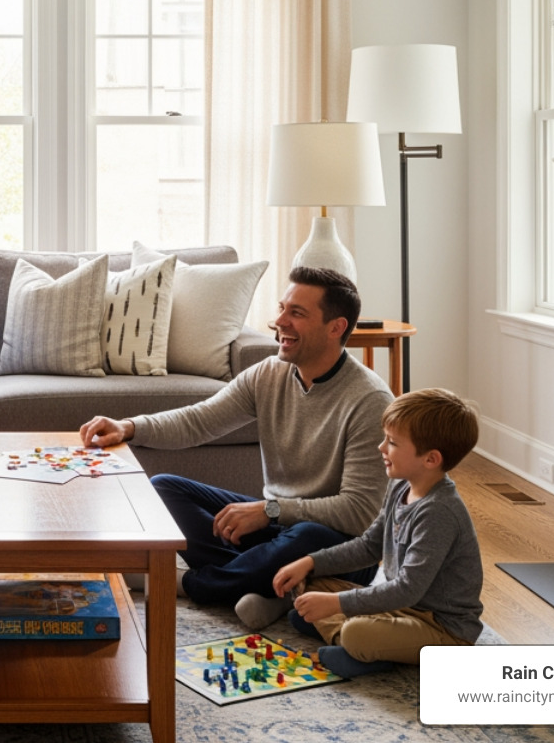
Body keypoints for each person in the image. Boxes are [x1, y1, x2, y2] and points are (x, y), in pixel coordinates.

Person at [79, 267, 391, 623]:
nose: (279, 322)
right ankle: (272, 589)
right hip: (277, 527)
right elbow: (199, 420)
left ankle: (195, 584)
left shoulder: (370, 400)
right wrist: (129, 427)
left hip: (339, 550)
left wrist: (271, 510)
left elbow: (359, 514)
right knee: (164, 488)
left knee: (306, 534)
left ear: (336, 327)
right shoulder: (269, 374)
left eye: (296, 313)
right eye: (282, 308)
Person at [267, 388, 484, 678]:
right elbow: (369, 546)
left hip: (442, 630)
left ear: (430, 459)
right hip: (400, 609)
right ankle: (357, 645)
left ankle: (358, 647)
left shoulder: (439, 512)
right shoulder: (400, 486)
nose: (381, 448)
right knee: (313, 585)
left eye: (392, 442)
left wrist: (336, 605)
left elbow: (408, 588)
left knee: (357, 632)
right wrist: (309, 562)